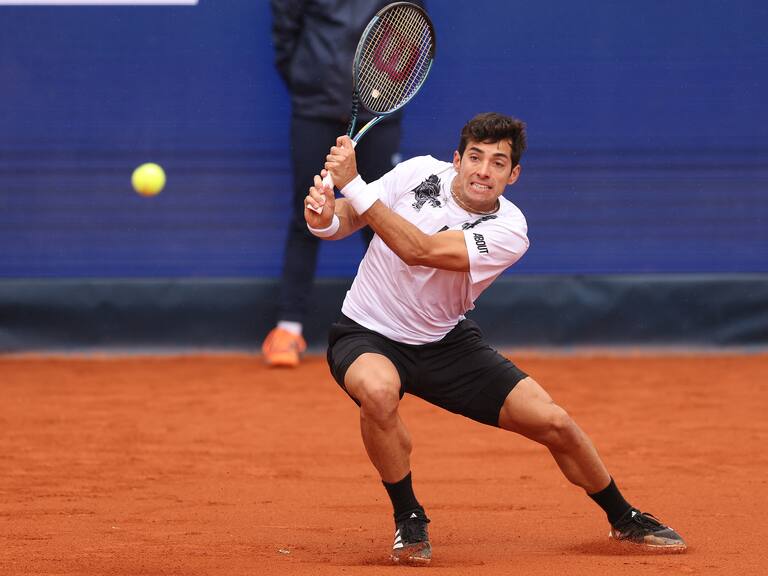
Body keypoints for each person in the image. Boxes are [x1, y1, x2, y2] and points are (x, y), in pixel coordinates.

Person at [303, 112, 687, 564]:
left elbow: (418, 251)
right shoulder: (417, 173)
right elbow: (346, 219)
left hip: (445, 342)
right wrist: (324, 217)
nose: (483, 171)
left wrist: (354, 185)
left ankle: (624, 517)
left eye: (498, 163)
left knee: (555, 422)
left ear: (513, 175)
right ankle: (409, 517)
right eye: (476, 157)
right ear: (457, 159)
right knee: (378, 391)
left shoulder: (510, 231)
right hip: (366, 331)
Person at [263, 0, 423, 367]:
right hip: (314, 109)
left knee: (380, 216)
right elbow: (285, 34)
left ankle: (394, 330)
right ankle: (288, 329)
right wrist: (311, 85)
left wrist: (379, 91)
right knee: (309, 211)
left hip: (378, 112)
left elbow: (409, 25)